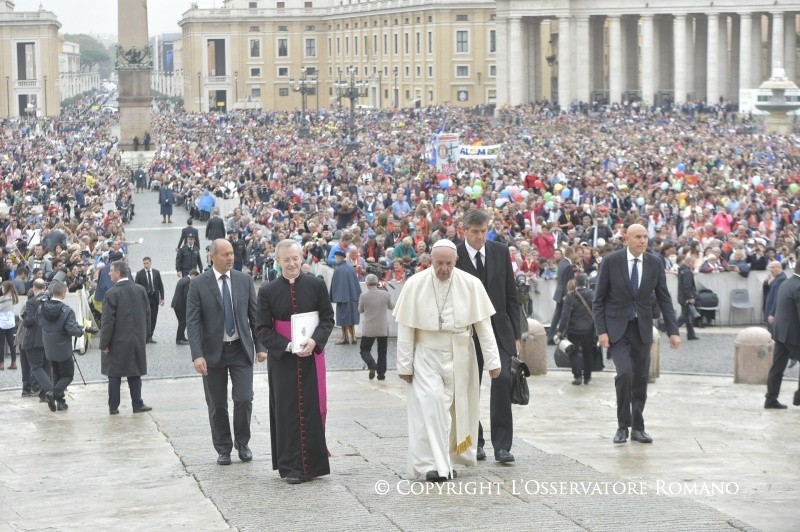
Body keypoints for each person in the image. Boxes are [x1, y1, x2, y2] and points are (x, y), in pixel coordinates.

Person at [395, 239, 501, 482]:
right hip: (426, 353)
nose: (443, 269)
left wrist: (493, 361)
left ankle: (447, 461)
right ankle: (434, 465)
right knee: (432, 406)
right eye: (439, 263)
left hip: (460, 353)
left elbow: (484, 327)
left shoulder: (471, 284)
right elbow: (406, 328)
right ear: (430, 261)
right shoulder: (415, 284)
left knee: (455, 410)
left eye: (448, 264)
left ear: (456, 261)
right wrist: (404, 364)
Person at [255, 240, 335, 484]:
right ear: (278, 261)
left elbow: (327, 320)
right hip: (283, 361)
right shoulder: (267, 291)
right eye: (286, 260)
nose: (291, 264)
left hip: (311, 358)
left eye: (295, 259)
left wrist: (314, 341)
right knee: (287, 411)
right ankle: (291, 467)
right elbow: (261, 329)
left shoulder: (316, 285)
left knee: (310, 408)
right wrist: (288, 345)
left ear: (302, 258)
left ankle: (313, 466)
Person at [593, 224, 680, 444]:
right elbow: (599, 299)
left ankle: (638, 427)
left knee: (640, 378)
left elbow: (664, 297)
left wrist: (673, 331)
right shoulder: (612, 262)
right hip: (617, 329)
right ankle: (622, 425)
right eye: (638, 237)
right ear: (627, 239)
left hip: (642, 328)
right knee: (625, 374)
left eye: (645, 237)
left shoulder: (654, 263)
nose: (643, 241)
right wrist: (601, 331)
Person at [187, 239, 266, 466]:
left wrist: (260, 346)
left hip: (240, 350)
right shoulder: (199, 284)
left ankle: (243, 442)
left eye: (232, 253)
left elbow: (255, 317)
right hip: (212, 353)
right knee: (217, 404)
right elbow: (192, 323)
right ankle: (223, 448)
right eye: (225, 254)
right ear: (213, 257)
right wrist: (197, 354)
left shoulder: (244, 280)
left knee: (243, 398)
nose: (231, 258)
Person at [455, 208, 520, 464]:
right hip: (467, 332)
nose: (480, 236)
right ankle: (476, 441)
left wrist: (516, 333)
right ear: (464, 231)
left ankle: (502, 446)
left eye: (484, 231)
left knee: (503, 380)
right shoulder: (454, 255)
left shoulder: (500, 251)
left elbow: (511, 296)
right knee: (470, 386)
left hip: (499, 330)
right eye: (475, 232)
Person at [100, 260, 153, 415]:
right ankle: (137, 403)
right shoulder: (140, 289)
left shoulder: (111, 293)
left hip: (117, 341)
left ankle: (113, 406)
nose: (109, 274)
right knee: (134, 372)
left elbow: (107, 321)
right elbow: (148, 314)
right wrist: (145, 336)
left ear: (118, 272)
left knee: (114, 374)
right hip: (137, 339)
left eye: (111, 271)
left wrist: (104, 343)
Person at [40, 281, 84, 412]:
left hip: (49, 347)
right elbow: (71, 329)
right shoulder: (67, 310)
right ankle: (52, 394)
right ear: (63, 294)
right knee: (68, 376)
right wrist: (81, 331)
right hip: (63, 349)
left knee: (57, 375)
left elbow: (38, 322)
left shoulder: (43, 307)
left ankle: (61, 402)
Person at [765, 260, 800, 409]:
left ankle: (770, 399)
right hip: (793, 335)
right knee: (777, 366)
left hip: (780, 333)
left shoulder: (786, 282)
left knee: (777, 367)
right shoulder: (798, 286)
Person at [556, 274, 597, 385]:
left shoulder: (570, 296)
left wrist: (560, 330)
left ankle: (577, 376)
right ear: (586, 282)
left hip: (573, 329)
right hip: (588, 329)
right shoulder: (592, 294)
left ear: (576, 283)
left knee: (573, 353)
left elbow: (564, 315)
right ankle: (587, 376)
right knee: (588, 353)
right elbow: (598, 311)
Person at [358, 273, 394, 380]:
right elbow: (392, 307)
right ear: (377, 283)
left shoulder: (363, 296)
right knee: (382, 352)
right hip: (382, 328)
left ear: (367, 284)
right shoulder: (386, 295)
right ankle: (381, 375)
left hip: (369, 328)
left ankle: (371, 363)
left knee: (364, 350)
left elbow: (360, 310)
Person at [21, 279, 52, 404]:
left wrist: (23, 318)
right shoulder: (50, 302)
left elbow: (29, 321)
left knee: (36, 367)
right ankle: (43, 395)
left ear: (34, 288)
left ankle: (50, 390)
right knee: (46, 367)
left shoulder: (31, 302)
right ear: (44, 288)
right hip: (48, 340)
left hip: (34, 340)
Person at [330, 249, 360, 345]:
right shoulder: (350, 267)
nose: (335, 259)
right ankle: (354, 337)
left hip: (343, 298)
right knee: (351, 318)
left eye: (336, 257)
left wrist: (334, 297)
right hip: (353, 297)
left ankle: (345, 338)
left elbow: (336, 285)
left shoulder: (339, 269)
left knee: (343, 318)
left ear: (339, 257)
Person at [548, 247, 576, 344]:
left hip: (559, 292)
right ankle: (563, 335)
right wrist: (568, 295)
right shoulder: (568, 265)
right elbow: (568, 282)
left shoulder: (561, 263)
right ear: (571, 254)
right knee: (565, 315)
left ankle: (550, 337)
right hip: (564, 293)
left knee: (556, 316)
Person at [134, 257, 164, 344]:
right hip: (144, 299)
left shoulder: (156, 272)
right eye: (144, 263)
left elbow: (160, 286)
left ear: (151, 263)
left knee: (153, 318)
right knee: (145, 318)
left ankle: (150, 336)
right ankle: (145, 336)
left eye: (147, 263)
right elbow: (136, 287)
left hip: (154, 298)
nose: (145, 265)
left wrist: (162, 298)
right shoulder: (140, 274)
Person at [172, 269, 198, 345]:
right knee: (183, 322)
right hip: (181, 306)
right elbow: (186, 296)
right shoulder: (187, 282)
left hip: (176, 304)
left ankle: (182, 337)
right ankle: (179, 339)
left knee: (181, 322)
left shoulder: (183, 279)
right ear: (193, 275)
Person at [676, 255, 699, 340]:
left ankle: (691, 335)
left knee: (688, 316)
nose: (694, 265)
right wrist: (691, 297)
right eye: (693, 263)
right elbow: (687, 286)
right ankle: (670, 329)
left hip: (682, 297)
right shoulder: (688, 272)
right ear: (689, 262)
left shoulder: (682, 271)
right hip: (686, 298)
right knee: (685, 316)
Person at [764, 260, 787, 334]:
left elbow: (778, 298)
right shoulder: (776, 278)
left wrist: (772, 314)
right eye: (770, 268)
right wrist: (766, 281)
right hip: (770, 310)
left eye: (772, 267)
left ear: (778, 267)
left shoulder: (781, 279)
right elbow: (767, 292)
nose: (770, 270)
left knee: (773, 335)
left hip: (773, 313)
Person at [0, 281, 18, 370]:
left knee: (1, 344)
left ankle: (1, 363)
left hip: (2, 324)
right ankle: (14, 362)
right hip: (10, 324)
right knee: (11, 344)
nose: (1, 289)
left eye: (2, 288)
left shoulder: (3, 300)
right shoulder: (13, 298)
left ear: (6, 289)